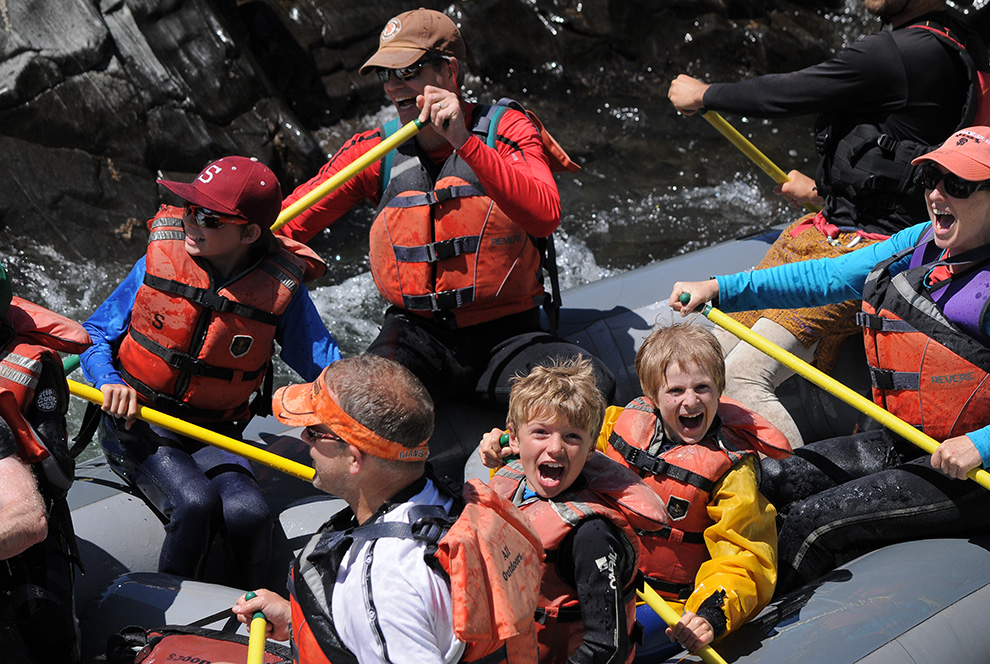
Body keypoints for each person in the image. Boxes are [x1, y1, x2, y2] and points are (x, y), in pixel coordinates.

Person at [669, 126, 990, 593]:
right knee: (766, 478)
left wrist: (982, 446)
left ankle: (753, 623)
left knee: (812, 522)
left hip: (979, 472)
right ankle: (699, 587)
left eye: (959, 185)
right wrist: (720, 288)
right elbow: (827, 276)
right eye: (932, 179)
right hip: (906, 440)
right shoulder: (919, 243)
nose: (938, 194)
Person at [668, 0, 990, 447]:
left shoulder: (904, 52)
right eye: (932, 178)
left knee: (743, 379)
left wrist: (706, 94)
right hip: (829, 231)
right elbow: (902, 157)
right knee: (699, 364)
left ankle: (778, 497)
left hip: (867, 249)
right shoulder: (959, 41)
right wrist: (824, 191)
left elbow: (799, 89)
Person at [276, 8, 615, 407]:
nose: (392, 87)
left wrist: (464, 143)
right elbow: (285, 225)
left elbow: (544, 214)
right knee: (360, 408)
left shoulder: (507, 129)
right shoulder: (376, 150)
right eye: (386, 74)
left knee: (590, 391)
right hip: (416, 337)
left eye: (407, 72)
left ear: (449, 72)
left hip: (510, 335)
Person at [80, 156, 341, 589]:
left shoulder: (280, 289)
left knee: (249, 512)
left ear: (250, 233)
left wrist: (359, 409)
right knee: (195, 503)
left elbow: (323, 363)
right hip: (139, 421)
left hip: (213, 430)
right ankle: (164, 630)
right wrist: (108, 379)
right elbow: (94, 333)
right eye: (188, 209)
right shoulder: (158, 260)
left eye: (207, 217)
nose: (191, 223)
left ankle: (247, 617)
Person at [480, 326, 789, 660]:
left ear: (719, 391)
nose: (691, 401)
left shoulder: (731, 472)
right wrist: (505, 450)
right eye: (675, 390)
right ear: (652, 396)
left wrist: (711, 614)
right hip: (596, 575)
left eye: (702, 388)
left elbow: (744, 557)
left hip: (667, 604)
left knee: (580, 636)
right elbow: (556, 446)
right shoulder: (617, 424)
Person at [233, 354, 541, 664]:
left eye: (314, 431)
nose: (304, 438)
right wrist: (293, 621)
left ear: (354, 458)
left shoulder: (384, 584)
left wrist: (361, 615)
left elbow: (391, 611)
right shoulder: (446, 501)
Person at [486, 357, 668, 664]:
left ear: (591, 450)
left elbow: (606, 647)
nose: (555, 448)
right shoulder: (511, 483)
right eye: (541, 433)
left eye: (572, 437)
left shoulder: (591, 534)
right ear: (514, 439)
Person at [0, 265, 91, 664]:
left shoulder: (35, 365)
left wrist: (15, 426)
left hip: (33, 510)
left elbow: (58, 474)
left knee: (49, 634)